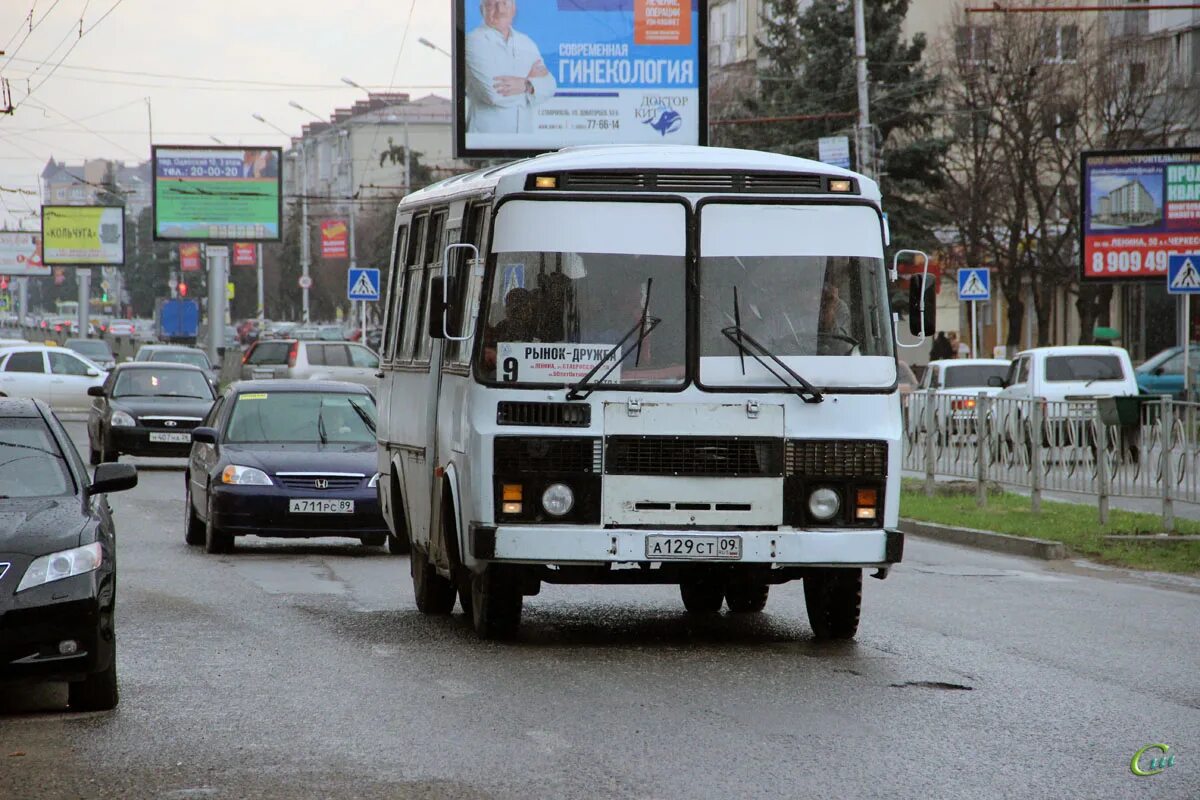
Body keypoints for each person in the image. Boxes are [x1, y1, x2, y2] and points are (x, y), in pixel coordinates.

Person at [465, 0, 556, 135]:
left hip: (524, 140)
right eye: (491, 4)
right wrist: (532, 88)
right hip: (486, 143)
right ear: (481, 10)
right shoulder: (473, 41)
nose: (500, 10)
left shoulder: (526, 43)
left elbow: (550, 86)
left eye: (504, 3)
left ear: (513, 9)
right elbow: (493, 94)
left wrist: (526, 85)